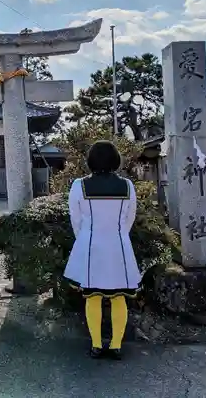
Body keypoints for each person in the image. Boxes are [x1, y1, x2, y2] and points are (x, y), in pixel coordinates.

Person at [63, 140, 141, 360]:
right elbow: (129, 218)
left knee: (93, 296)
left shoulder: (79, 185)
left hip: (90, 246)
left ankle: (97, 345)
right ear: (116, 160)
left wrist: (86, 238)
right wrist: (118, 235)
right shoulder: (127, 186)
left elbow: (75, 219)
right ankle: (116, 345)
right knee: (119, 297)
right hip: (119, 246)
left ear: (91, 160)